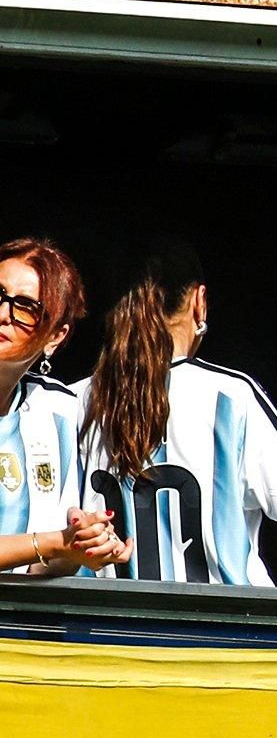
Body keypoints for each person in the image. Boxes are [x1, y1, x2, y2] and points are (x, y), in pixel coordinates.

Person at [78, 237, 277, 584]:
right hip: (220, 633)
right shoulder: (232, 397)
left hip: (105, 632)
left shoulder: (74, 402)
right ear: (199, 302)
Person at [0, 235, 129, 575]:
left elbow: (41, 566)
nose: (3, 314)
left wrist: (80, 547)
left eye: (26, 307)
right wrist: (54, 542)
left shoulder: (57, 410)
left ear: (56, 336)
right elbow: (46, 543)